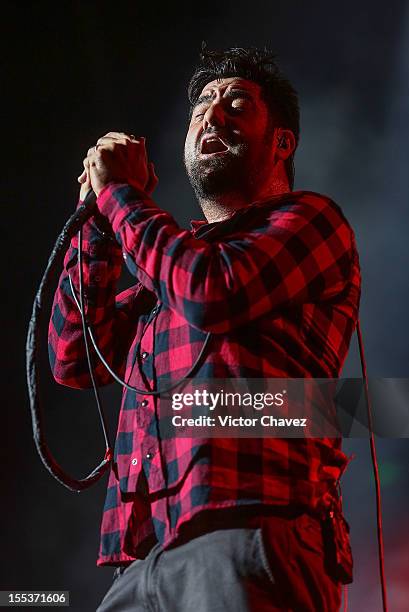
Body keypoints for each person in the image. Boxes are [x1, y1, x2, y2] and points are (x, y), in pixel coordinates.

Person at [48, 45, 361, 611]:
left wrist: (120, 197)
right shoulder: (165, 270)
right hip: (141, 558)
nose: (210, 116)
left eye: (236, 105)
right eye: (201, 108)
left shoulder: (312, 220)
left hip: (246, 532)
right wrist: (96, 228)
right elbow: (74, 358)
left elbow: (213, 291)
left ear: (281, 142)